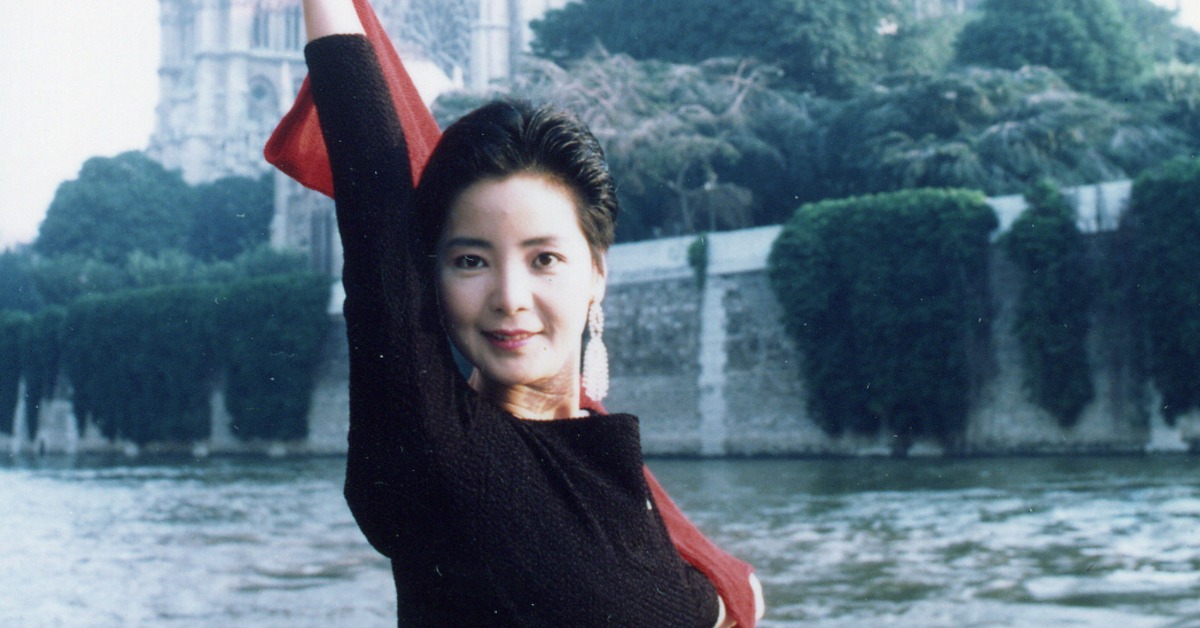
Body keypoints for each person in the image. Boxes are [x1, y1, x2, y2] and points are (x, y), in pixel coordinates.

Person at [275, 1, 763, 624]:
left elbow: (690, 602)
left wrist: (730, 599)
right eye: (470, 261)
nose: (509, 295)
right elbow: (374, 193)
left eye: (544, 259)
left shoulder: (620, 476)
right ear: (430, 279)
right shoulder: (436, 450)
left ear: (597, 273)